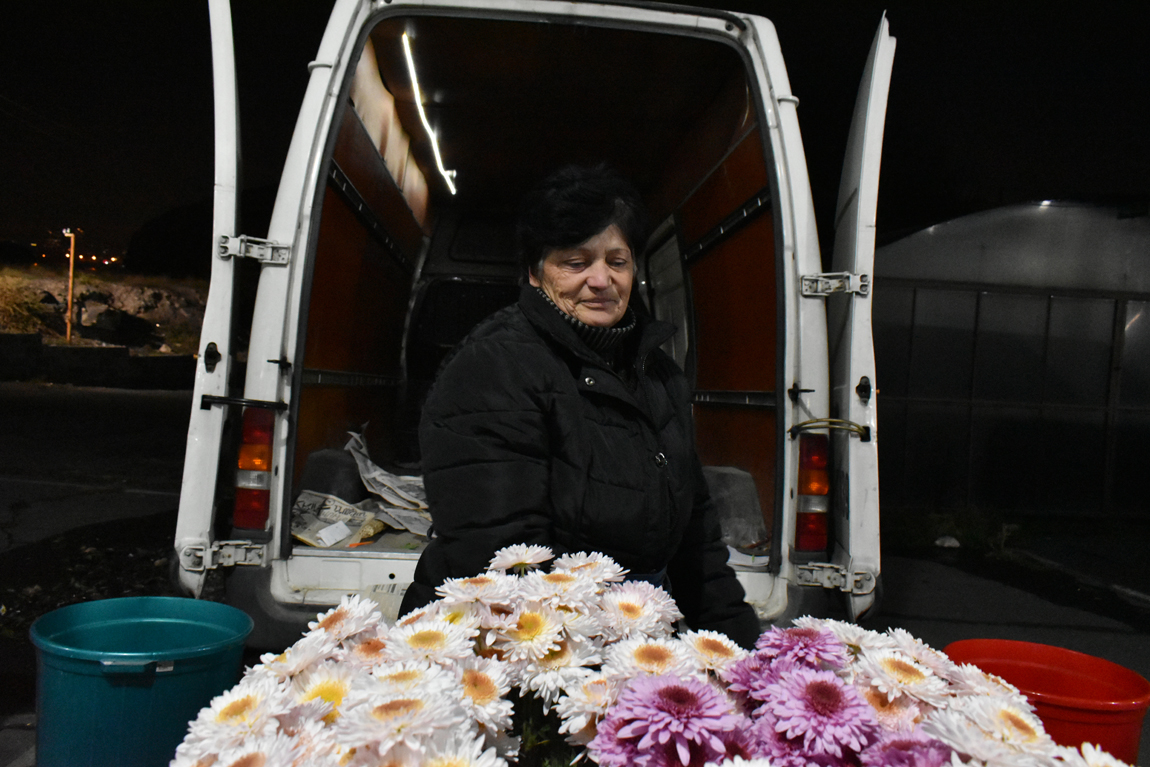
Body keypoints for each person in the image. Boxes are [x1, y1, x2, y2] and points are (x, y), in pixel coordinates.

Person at [398, 164, 761, 648]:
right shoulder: (494, 368)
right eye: (575, 262)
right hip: (519, 647)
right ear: (533, 272)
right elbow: (505, 561)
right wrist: (608, 660)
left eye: (617, 260)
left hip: (632, 632)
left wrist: (743, 658)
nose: (601, 279)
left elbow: (697, 541)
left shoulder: (656, 373)